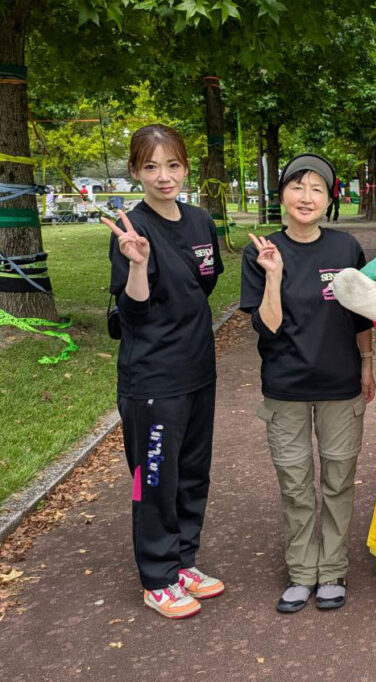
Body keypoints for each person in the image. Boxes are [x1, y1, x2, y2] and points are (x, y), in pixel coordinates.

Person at [240, 154, 376, 614]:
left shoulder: (346, 249)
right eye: (297, 187)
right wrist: (274, 275)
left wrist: (368, 363)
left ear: (329, 199)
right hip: (286, 388)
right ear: (282, 194)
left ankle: (332, 570)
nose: (306, 197)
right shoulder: (262, 251)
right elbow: (268, 326)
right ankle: (302, 572)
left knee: (337, 482)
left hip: (341, 385)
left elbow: (360, 315)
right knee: (296, 485)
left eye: (317, 188)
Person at [103, 124, 225, 619]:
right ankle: (157, 577)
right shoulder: (131, 229)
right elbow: (133, 314)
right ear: (136, 171)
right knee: (153, 478)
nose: (164, 176)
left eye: (172, 165)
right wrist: (137, 265)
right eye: (151, 167)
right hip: (152, 381)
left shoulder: (200, 222)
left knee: (192, 474)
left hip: (198, 371)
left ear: (185, 167)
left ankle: (183, 561)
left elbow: (204, 286)